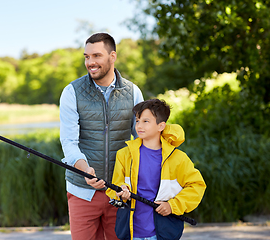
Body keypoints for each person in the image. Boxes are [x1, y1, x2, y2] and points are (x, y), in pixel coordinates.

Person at [59, 32, 144, 240]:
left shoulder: (133, 93)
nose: (90, 62)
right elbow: (69, 142)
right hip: (82, 191)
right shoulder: (71, 92)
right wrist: (85, 171)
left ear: (112, 56)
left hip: (120, 192)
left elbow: (142, 142)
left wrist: (130, 182)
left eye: (96, 56)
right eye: (86, 57)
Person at [106, 99, 206, 240]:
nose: (139, 126)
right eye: (138, 120)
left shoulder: (178, 158)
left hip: (163, 232)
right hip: (131, 232)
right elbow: (115, 186)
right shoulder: (124, 154)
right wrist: (122, 191)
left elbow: (197, 186)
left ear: (161, 126)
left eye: (146, 121)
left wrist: (172, 205)